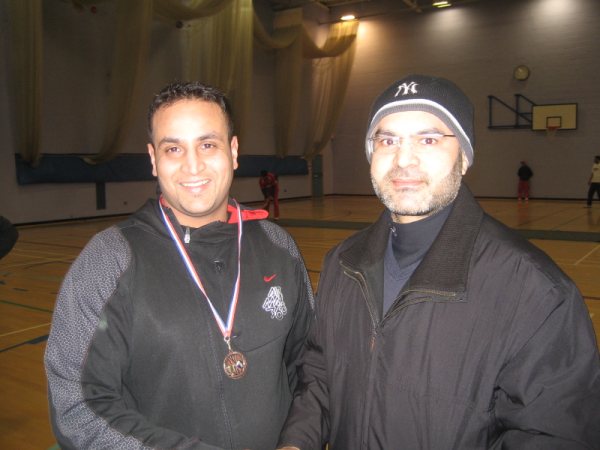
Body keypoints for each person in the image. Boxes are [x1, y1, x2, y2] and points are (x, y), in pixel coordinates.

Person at [277, 75, 600, 450]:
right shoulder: (342, 264)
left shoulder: (536, 291)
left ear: (464, 157)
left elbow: (552, 434)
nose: (403, 159)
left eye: (428, 139)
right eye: (387, 140)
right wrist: (296, 442)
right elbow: (319, 373)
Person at [45, 82, 314, 450]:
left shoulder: (279, 247)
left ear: (233, 152)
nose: (193, 165)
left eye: (207, 144)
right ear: (154, 159)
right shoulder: (109, 261)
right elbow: (76, 406)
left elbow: (310, 368)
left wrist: (298, 442)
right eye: (174, 148)